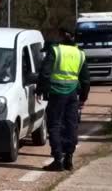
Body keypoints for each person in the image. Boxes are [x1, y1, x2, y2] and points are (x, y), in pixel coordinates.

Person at [36, 27, 90, 171]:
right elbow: (85, 79)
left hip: (56, 93)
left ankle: (58, 159)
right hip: (72, 94)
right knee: (71, 125)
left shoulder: (55, 50)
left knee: (54, 125)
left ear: (62, 36)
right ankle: (69, 159)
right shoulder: (80, 53)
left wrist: (40, 90)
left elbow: (45, 72)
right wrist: (83, 97)